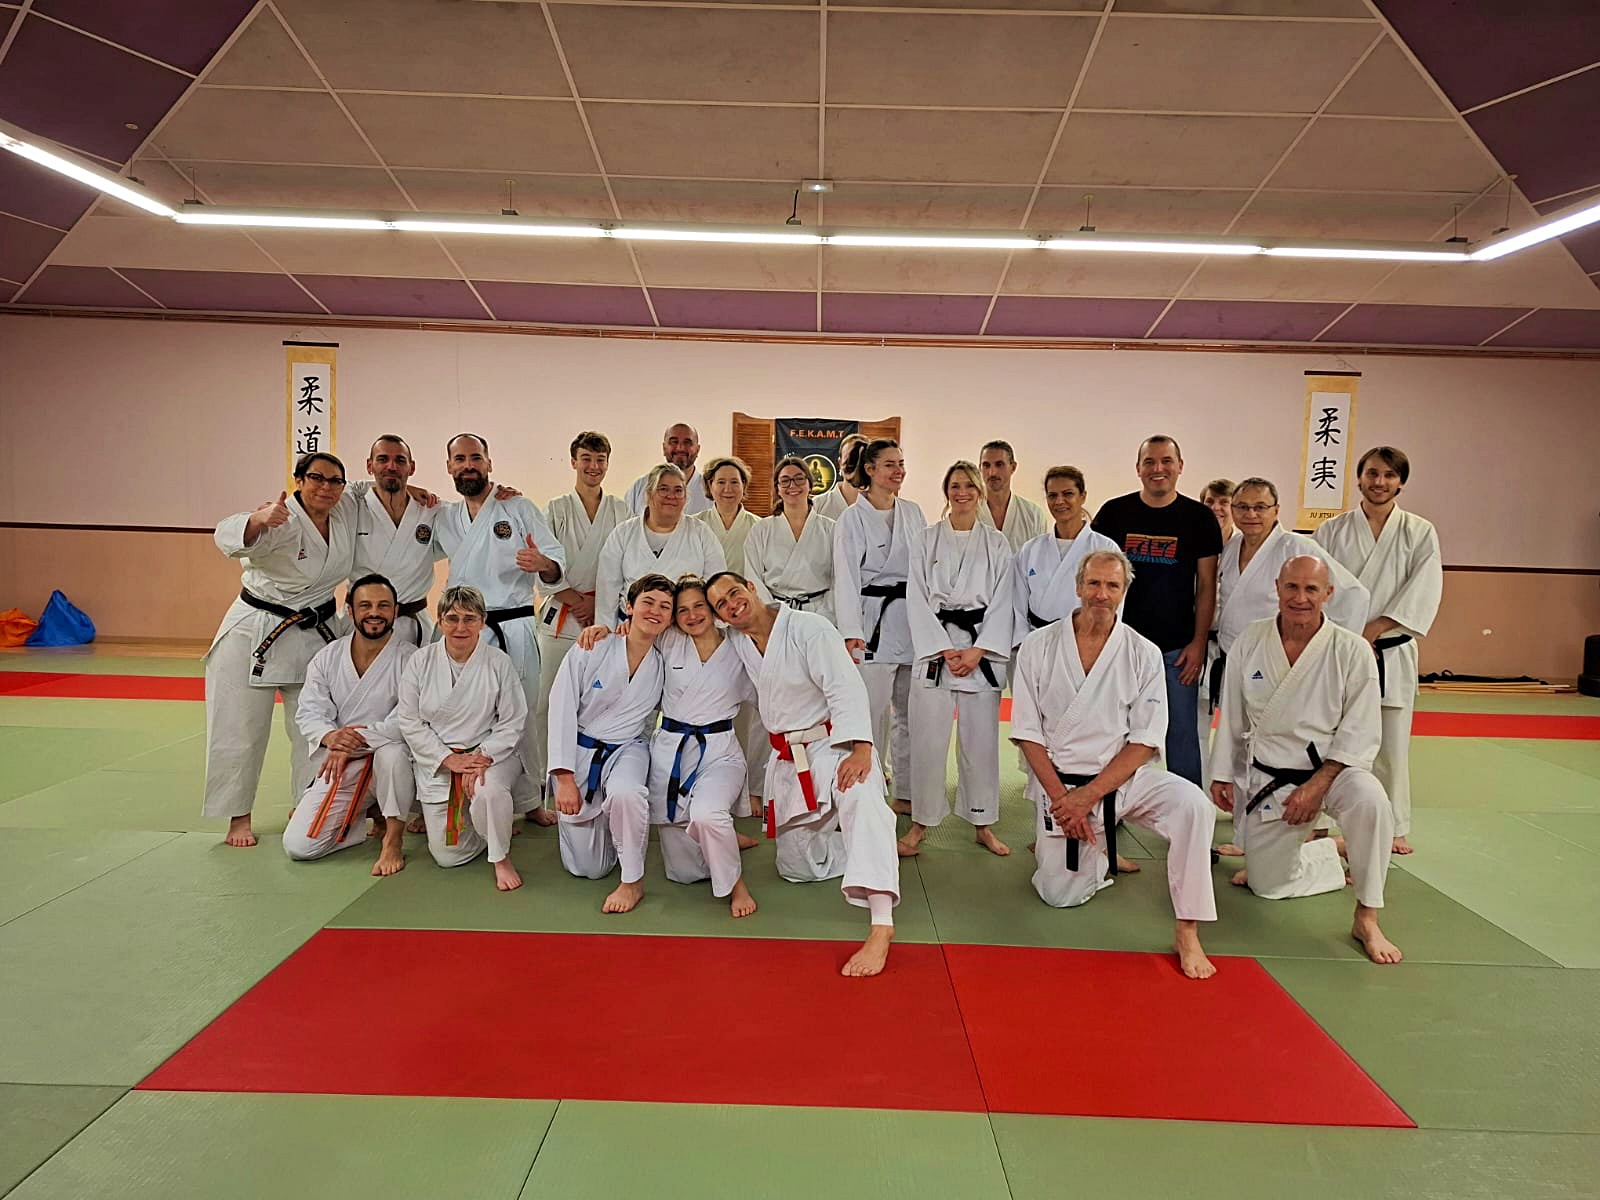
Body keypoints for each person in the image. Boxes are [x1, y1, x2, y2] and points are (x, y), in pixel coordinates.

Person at [1012, 549, 1217, 980]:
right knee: (1058, 896)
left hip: (1122, 782)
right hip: (1060, 786)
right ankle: (1099, 851)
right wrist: (1065, 801)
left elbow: (1145, 740)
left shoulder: (1142, 652)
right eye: (1093, 583)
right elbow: (1027, 733)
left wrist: (1088, 797)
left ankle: (1188, 929)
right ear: (1078, 586)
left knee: (1193, 805)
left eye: (1112, 585)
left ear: (1124, 591)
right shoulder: (1038, 646)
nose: (1101, 594)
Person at [1209, 556, 1402, 964]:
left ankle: (1367, 915)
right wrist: (1222, 773)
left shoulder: (1351, 650)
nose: (1300, 598)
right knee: (1268, 886)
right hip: (1272, 774)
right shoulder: (1251, 639)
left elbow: (1361, 731)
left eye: (1311, 589)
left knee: (1371, 801)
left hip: (1335, 771)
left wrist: (1317, 787)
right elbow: (1232, 715)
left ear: (1328, 594)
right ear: (1277, 588)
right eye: (1292, 587)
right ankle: (1330, 850)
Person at [706, 571, 900, 977]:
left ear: (752, 588)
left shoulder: (809, 627)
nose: (732, 604)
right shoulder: (738, 644)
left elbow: (844, 686)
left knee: (863, 798)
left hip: (834, 744)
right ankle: (866, 845)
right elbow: (691, 638)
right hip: (791, 759)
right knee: (797, 869)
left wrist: (862, 748)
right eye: (721, 604)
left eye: (734, 593)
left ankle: (881, 925)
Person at [1205, 479, 1369, 857]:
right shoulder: (1230, 550)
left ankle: (1314, 835)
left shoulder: (1298, 548)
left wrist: (1328, 651)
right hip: (1240, 660)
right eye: (1242, 507)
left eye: (1260, 507)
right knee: (1247, 747)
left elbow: (1354, 595)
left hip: (1288, 663)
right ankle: (1247, 838)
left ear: (1276, 511)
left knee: (1294, 747)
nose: (1251, 514)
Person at [202, 452, 357, 848]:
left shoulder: (344, 512)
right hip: (254, 633)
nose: (326, 487)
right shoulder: (280, 518)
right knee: (240, 728)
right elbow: (226, 536)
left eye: (334, 480)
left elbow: (375, 488)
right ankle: (238, 817)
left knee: (314, 729)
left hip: (313, 633)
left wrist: (419, 491)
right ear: (299, 480)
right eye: (316, 478)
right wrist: (256, 520)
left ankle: (307, 805)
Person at [580, 577, 759, 918]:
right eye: (682, 610)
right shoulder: (669, 640)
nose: (692, 616)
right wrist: (604, 630)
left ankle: (736, 884)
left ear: (713, 610)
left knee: (708, 813)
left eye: (699, 607)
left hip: (719, 752)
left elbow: (770, 686)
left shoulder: (739, 645)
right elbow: (636, 634)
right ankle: (721, 836)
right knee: (686, 873)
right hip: (672, 752)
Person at [430, 433, 567, 824]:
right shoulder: (443, 516)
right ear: (449, 467)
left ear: (489, 463)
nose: (468, 465)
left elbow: (556, 561)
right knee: (461, 711)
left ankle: (531, 799)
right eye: (459, 459)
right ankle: (451, 795)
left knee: (522, 711)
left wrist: (543, 564)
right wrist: (416, 493)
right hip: (464, 628)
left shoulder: (518, 507)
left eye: (475, 458)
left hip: (513, 624)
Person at [1314, 446, 1443, 856]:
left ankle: (1393, 826)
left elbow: (1424, 589)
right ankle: (1318, 821)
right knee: (1327, 737)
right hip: (1341, 648)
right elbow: (1319, 585)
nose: (1379, 482)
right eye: (1372, 473)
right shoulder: (1332, 530)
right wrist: (1353, 633)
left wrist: (1377, 627)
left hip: (1391, 649)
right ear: (1359, 478)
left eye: (1389, 475)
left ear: (1401, 481)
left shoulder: (1419, 531)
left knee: (1391, 743)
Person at [1092, 435, 1222, 785]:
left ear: (1180, 466)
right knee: (1113, 730)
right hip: (1120, 646)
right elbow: (1095, 577)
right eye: (1149, 461)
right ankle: (1110, 802)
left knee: (1181, 732)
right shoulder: (1114, 513)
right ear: (1138, 468)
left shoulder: (1199, 518)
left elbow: (1206, 585)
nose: (1158, 468)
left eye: (1166, 461)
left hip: (1177, 648)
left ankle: (1189, 807)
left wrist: (1198, 643)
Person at [901, 461, 1015, 858]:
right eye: (954, 486)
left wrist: (979, 650)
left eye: (969, 486)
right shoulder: (926, 539)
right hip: (937, 651)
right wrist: (942, 647)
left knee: (980, 743)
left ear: (980, 492)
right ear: (945, 491)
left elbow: (1004, 600)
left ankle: (982, 823)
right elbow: (916, 596)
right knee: (927, 740)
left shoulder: (997, 543)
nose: (961, 492)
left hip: (980, 649)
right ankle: (920, 823)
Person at [549, 575, 673, 913]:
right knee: (589, 869)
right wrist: (564, 778)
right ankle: (611, 823)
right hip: (581, 751)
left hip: (628, 748)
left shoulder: (664, 662)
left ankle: (632, 881)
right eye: (648, 602)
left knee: (627, 793)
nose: (655, 611)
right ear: (628, 607)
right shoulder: (592, 647)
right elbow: (560, 708)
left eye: (665, 607)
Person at [395, 585, 527, 892]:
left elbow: (513, 721)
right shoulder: (420, 661)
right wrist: (448, 759)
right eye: (452, 618)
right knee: (447, 857)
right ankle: (488, 830)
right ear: (440, 621)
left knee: (488, 792)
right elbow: (409, 720)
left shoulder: (498, 662)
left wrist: (481, 756)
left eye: (469, 619)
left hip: (489, 756)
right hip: (439, 759)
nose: (460, 627)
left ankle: (500, 856)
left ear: (483, 622)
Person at [283, 574, 417, 873]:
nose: (374, 613)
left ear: (395, 611)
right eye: (365, 605)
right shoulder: (327, 657)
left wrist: (353, 742)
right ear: (350, 610)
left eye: (383, 605)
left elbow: (409, 719)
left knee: (392, 754)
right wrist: (331, 736)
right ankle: (359, 817)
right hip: (341, 763)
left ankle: (393, 839)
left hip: (393, 767)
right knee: (299, 846)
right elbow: (309, 711)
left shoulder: (412, 659)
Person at [535, 431, 631, 823]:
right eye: (586, 458)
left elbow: (628, 562)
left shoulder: (620, 510)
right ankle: (547, 788)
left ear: (608, 462)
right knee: (548, 704)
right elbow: (544, 564)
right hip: (561, 617)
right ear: (573, 461)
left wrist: (601, 604)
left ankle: (596, 781)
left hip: (604, 619)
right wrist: (577, 601)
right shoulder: (556, 509)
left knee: (599, 703)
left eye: (600, 459)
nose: (593, 466)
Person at [833, 438, 925, 813]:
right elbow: (845, 578)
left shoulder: (913, 512)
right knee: (870, 713)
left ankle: (906, 791)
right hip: (870, 623)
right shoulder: (851, 518)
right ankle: (866, 791)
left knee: (910, 712)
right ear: (869, 469)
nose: (898, 471)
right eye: (890, 464)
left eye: (901, 463)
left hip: (911, 620)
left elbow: (925, 570)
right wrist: (850, 631)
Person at [694, 455, 769, 817]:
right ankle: (711, 784)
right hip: (707, 627)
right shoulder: (696, 525)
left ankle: (754, 787)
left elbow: (761, 578)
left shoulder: (759, 527)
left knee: (756, 708)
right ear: (709, 487)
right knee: (715, 705)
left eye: (735, 482)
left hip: (745, 623)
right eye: (720, 482)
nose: (727, 488)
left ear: (744, 488)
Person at [596, 463, 726, 626]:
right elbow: (607, 592)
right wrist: (606, 632)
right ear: (649, 494)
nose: (671, 496)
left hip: (685, 628)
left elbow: (717, 587)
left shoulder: (701, 533)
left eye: (678, 490)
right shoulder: (623, 533)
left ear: (685, 497)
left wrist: (715, 630)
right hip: (632, 629)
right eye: (663, 489)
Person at [1010, 465, 1121, 640]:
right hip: (1036, 640)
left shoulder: (1106, 549)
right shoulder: (1031, 549)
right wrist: (1025, 642)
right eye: (1052, 495)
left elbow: (1114, 605)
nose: (1059, 501)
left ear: (1082, 496)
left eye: (1068, 494)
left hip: (1084, 640)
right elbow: (1017, 605)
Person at [349, 435, 436, 644]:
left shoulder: (430, 510)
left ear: (411, 467)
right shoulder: (352, 506)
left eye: (400, 460)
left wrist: (498, 496)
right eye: (382, 459)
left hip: (413, 626)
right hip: (362, 622)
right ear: (369, 466)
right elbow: (333, 486)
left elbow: (469, 517)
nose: (391, 466)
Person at [745, 455, 838, 625]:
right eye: (785, 481)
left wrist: (825, 613)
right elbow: (753, 577)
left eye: (799, 479)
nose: (792, 485)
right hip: (776, 612)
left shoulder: (831, 529)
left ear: (810, 485)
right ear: (777, 488)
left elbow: (839, 578)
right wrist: (771, 612)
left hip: (821, 613)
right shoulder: (761, 530)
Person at [1196, 478, 1237, 783]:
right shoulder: (1194, 543)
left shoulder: (1245, 547)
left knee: (1237, 726)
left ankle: (1236, 792)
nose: (1217, 508)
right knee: (1197, 725)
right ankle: (1199, 792)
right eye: (1210, 502)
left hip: (1235, 648)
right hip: (1200, 645)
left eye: (1224, 502)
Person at [975, 440, 1048, 554]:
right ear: (980, 468)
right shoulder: (970, 514)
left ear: (1013, 467)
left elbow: (1040, 560)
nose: (992, 472)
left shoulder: (1033, 515)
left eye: (999, 465)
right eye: (986, 465)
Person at [624, 423, 711, 516]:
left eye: (687, 442)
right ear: (664, 448)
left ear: (697, 449)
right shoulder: (640, 487)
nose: (680, 448)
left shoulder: (711, 491)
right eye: (674, 442)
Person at [813, 432, 868, 521]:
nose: (856, 465)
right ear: (840, 463)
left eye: (860, 459)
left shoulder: (879, 505)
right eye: (850, 459)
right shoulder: (818, 505)